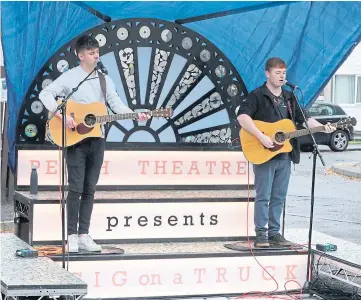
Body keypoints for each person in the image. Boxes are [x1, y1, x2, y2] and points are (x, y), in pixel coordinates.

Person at [39, 35, 149, 252]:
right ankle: (70, 235)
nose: (96, 55)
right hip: (74, 138)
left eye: (97, 51)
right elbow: (46, 94)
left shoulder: (104, 79)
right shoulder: (70, 77)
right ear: (80, 56)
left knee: (90, 188)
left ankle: (84, 235)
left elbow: (116, 103)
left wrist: (135, 115)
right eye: (91, 52)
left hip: (97, 137)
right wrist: (62, 115)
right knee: (75, 187)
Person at [237, 57, 335, 248]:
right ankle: (261, 235)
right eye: (277, 73)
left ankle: (275, 233)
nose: (282, 76)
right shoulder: (257, 95)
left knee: (279, 197)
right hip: (263, 153)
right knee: (263, 195)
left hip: (284, 155)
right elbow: (242, 117)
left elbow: (305, 120)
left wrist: (324, 127)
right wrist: (261, 136)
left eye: (284, 73)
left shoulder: (290, 98)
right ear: (267, 73)